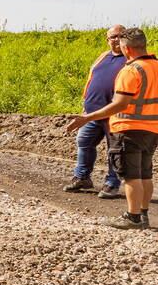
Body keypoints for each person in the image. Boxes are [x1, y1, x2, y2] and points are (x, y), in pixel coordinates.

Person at [66, 27, 158, 229]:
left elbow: (120, 104)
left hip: (128, 127)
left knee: (132, 176)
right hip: (151, 128)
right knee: (145, 174)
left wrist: (87, 117)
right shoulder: (155, 66)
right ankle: (142, 215)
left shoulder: (131, 70)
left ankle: (132, 217)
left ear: (127, 48)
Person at [63, 25, 126, 198]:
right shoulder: (102, 57)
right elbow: (92, 80)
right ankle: (82, 177)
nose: (115, 40)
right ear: (107, 40)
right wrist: (86, 105)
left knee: (115, 149)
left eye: (120, 36)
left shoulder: (132, 59)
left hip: (116, 113)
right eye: (112, 37)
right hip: (91, 113)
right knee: (84, 142)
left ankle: (112, 183)